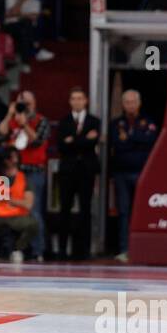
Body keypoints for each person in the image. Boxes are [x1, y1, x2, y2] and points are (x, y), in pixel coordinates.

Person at [0, 90, 49, 259]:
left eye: (28, 103)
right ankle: (6, 249)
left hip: (32, 171)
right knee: (2, 207)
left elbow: (37, 141)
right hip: (9, 172)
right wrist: (9, 115)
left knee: (32, 210)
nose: (24, 106)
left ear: (34, 104)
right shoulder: (12, 121)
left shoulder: (41, 120)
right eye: (21, 103)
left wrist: (25, 124)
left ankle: (37, 251)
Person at [109, 89, 157, 261]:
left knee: (142, 212)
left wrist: (129, 138)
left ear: (139, 103)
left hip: (142, 173)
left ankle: (142, 249)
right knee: (123, 211)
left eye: (133, 102)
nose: (130, 105)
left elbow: (150, 142)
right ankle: (124, 248)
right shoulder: (116, 124)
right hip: (121, 173)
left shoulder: (147, 122)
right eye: (127, 102)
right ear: (123, 104)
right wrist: (136, 139)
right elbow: (118, 145)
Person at [56, 86, 99, 260]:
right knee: (64, 209)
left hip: (86, 171)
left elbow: (91, 143)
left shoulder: (94, 121)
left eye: (80, 98)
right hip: (67, 171)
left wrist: (72, 140)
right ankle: (62, 249)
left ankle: (83, 250)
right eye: (74, 98)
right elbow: (61, 146)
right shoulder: (64, 121)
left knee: (85, 210)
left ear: (85, 100)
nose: (77, 101)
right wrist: (82, 140)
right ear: (70, 101)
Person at [3, 0, 53, 64]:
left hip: (28, 28)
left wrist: (19, 15)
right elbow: (10, 15)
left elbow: (33, 18)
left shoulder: (36, 2)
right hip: (11, 27)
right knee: (26, 24)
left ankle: (25, 62)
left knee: (26, 25)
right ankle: (37, 50)